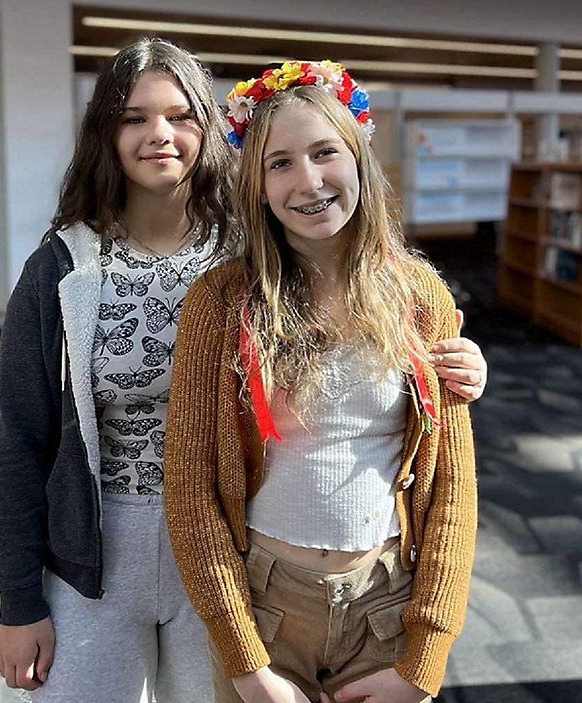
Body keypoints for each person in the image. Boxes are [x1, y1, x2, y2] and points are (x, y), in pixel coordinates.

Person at [0, 42, 485, 703]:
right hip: (100, 550)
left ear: (210, 129)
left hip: (237, 551)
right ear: (104, 132)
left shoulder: (253, 251)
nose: (158, 134)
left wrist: (458, 362)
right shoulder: (68, 267)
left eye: (180, 115)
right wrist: (19, 599)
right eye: (134, 117)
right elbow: (19, 436)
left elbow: (381, 374)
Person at [164, 61, 478, 703]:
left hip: (386, 604)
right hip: (265, 608)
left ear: (358, 157)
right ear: (256, 185)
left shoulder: (418, 294)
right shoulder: (222, 302)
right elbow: (191, 490)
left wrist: (425, 660)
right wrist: (246, 664)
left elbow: (454, 484)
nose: (307, 181)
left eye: (323, 152)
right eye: (279, 163)